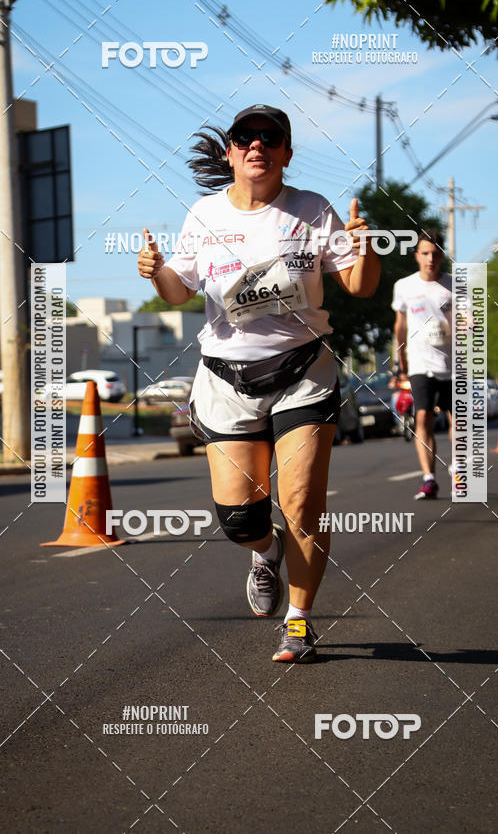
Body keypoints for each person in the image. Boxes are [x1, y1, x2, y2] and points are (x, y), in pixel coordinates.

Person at [138, 104, 380, 662]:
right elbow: (179, 290)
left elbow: (361, 287)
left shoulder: (312, 210)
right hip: (226, 376)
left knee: (302, 501)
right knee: (239, 518)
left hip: (302, 370)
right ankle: (266, 551)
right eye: (245, 137)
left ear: (286, 154)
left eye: (271, 138)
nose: (258, 145)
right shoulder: (204, 214)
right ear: (230, 152)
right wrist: (156, 272)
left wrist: (364, 248)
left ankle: (299, 621)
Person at [392, 230, 452, 499]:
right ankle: (429, 478)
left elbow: (469, 319)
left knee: (457, 418)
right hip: (420, 362)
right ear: (417, 256)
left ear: (442, 256)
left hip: (452, 364)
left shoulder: (456, 285)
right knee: (423, 417)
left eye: (435, 254)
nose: (430, 259)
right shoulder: (404, 286)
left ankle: (458, 466)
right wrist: (401, 361)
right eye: (425, 253)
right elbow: (400, 326)